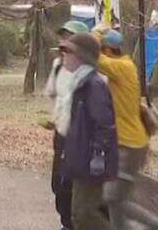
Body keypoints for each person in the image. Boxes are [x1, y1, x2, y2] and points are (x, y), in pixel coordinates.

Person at [97, 30, 158, 230]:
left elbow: (94, 59)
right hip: (127, 143)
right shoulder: (125, 67)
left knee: (113, 198)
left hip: (129, 145)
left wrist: (96, 33)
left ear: (107, 49)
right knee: (115, 202)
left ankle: (156, 225)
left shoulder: (121, 67)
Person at [58, 32, 118, 230]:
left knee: (86, 215)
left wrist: (98, 154)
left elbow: (105, 124)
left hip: (91, 164)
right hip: (80, 160)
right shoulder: (79, 82)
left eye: (67, 51)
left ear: (81, 56)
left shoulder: (94, 85)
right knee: (78, 213)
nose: (63, 55)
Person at [45, 20, 89, 229]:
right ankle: (66, 222)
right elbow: (54, 94)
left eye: (69, 37)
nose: (64, 42)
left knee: (71, 187)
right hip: (61, 136)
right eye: (62, 37)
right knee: (58, 184)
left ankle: (72, 224)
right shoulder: (57, 66)